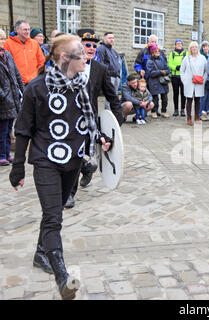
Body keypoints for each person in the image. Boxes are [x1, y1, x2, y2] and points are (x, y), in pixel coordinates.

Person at [9, 34, 111, 300]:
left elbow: (89, 121)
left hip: (74, 161)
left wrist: (101, 137)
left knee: (55, 211)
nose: (87, 56)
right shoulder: (37, 88)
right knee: (54, 218)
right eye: (81, 52)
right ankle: (62, 276)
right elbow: (23, 130)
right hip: (45, 160)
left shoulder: (81, 85)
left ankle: (40, 253)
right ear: (65, 57)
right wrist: (17, 168)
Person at [65, 28, 124, 209]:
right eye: (87, 45)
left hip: (89, 122)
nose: (91, 48)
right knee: (72, 154)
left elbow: (112, 97)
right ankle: (70, 192)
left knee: (77, 154)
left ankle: (85, 168)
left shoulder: (100, 69)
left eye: (94, 45)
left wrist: (117, 123)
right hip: (68, 119)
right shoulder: (67, 65)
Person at [0, 29, 24, 166]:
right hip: (3, 100)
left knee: (9, 129)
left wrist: (22, 89)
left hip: (12, 98)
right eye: (0, 39)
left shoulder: (7, 54)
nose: (2, 42)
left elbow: (16, 74)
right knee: (2, 130)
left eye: (3, 39)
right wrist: (3, 94)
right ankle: (1, 155)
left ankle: (7, 153)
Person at [4, 20, 45, 85]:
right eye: (25, 30)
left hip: (34, 81)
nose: (27, 32)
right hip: (17, 83)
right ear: (17, 30)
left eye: (29, 29)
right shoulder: (8, 44)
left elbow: (41, 62)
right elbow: (5, 64)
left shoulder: (34, 44)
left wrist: (39, 77)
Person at [180, 41, 207, 126]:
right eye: (192, 47)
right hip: (189, 82)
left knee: (198, 100)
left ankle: (197, 117)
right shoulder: (186, 59)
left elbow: (206, 71)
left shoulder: (202, 58)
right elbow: (182, 70)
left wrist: (204, 80)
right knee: (189, 100)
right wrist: (184, 80)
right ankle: (188, 117)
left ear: (198, 48)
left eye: (195, 47)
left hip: (199, 82)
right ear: (190, 49)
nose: (194, 48)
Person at [97, 32, 122, 109]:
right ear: (104, 39)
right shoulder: (101, 49)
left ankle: (113, 113)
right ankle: (108, 114)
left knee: (114, 96)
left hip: (116, 77)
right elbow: (100, 63)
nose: (112, 40)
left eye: (113, 38)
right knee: (110, 96)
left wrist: (118, 75)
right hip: (109, 77)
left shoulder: (113, 51)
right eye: (109, 38)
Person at [146, 43, 170, 119]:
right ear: (152, 52)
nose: (158, 52)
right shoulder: (149, 61)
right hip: (154, 81)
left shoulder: (162, 58)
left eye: (158, 51)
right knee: (155, 98)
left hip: (163, 81)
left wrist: (165, 72)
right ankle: (154, 111)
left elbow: (167, 69)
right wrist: (160, 72)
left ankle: (164, 111)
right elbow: (150, 73)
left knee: (165, 98)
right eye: (156, 51)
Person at [168, 39, 187, 117]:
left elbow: (187, 63)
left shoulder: (186, 53)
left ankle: (182, 109)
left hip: (183, 76)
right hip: (175, 76)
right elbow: (169, 63)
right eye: (177, 44)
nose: (179, 45)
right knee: (175, 94)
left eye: (180, 44)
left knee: (183, 94)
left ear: (182, 45)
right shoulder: (172, 53)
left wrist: (182, 67)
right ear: (175, 45)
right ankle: (176, 110)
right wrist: (176, 67)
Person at [199, 40, 209, 120]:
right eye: (203, 47)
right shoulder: (200, 56)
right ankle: (200, 113)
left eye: (206, 46)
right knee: (203, 97)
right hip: (203, 78)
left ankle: (207, 113)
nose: (205, 48)